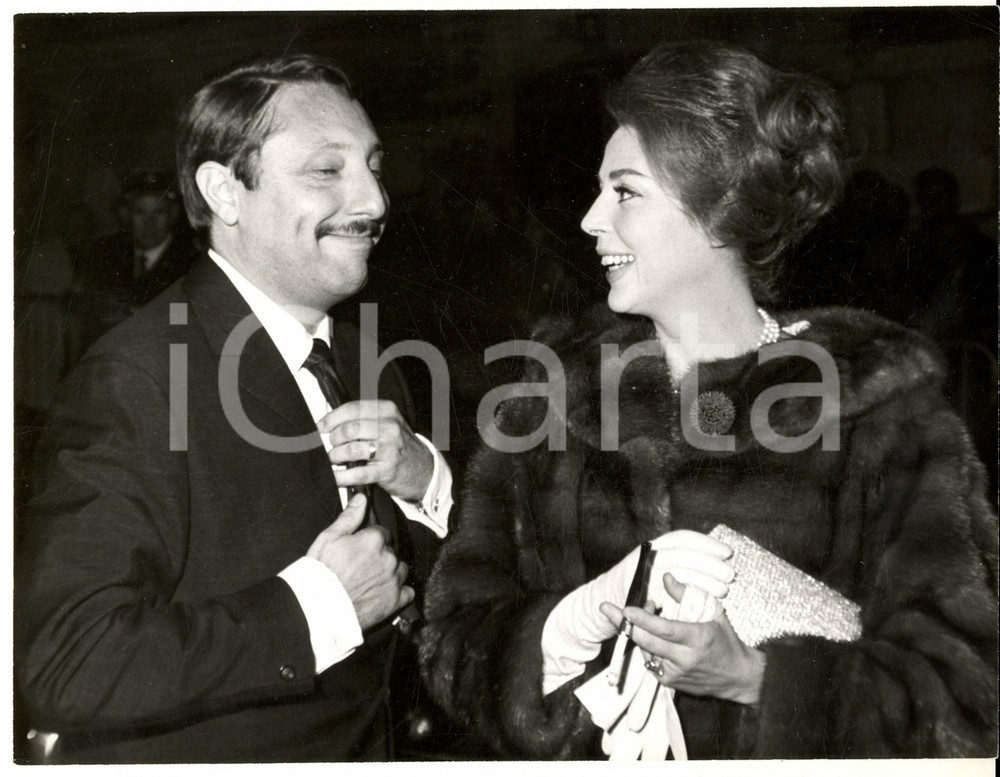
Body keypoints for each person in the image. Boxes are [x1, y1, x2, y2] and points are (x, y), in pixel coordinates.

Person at [419, 41, 998, 759]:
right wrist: (567, 628)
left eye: (624, 191)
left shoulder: (880, 412)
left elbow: (968, 693)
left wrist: (759, 680)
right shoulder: (544, 401)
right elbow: (451, 639)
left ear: (717, 207)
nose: (590, 219)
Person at [16, 54, 452, 763]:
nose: (374, 202)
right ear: (225, 192)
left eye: (374, 166)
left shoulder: (369, 361)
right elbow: (66, 657)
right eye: (328, 170)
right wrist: (316, 607)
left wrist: (427, 481)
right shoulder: (139, 375)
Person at [71, 169, 199, 353]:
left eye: (159, 212)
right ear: (125, 215)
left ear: (173, 215)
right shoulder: (106, 258)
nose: (149, 222)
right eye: (140, 212)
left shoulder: (191, 262)